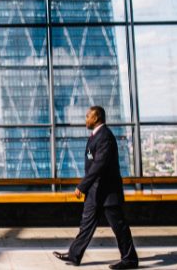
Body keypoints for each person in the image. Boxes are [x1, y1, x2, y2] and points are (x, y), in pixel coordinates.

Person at [53, 106, 138, 269]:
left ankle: (130, 259)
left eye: (88, 116)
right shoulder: (95, 136)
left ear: (96, 117)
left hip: (107, 192)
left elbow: (99, 165)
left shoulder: (105, 137)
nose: (85, 119)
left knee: (119, 226)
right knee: (86, 224)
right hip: (95, 192)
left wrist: (82, 186)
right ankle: (74, 254)